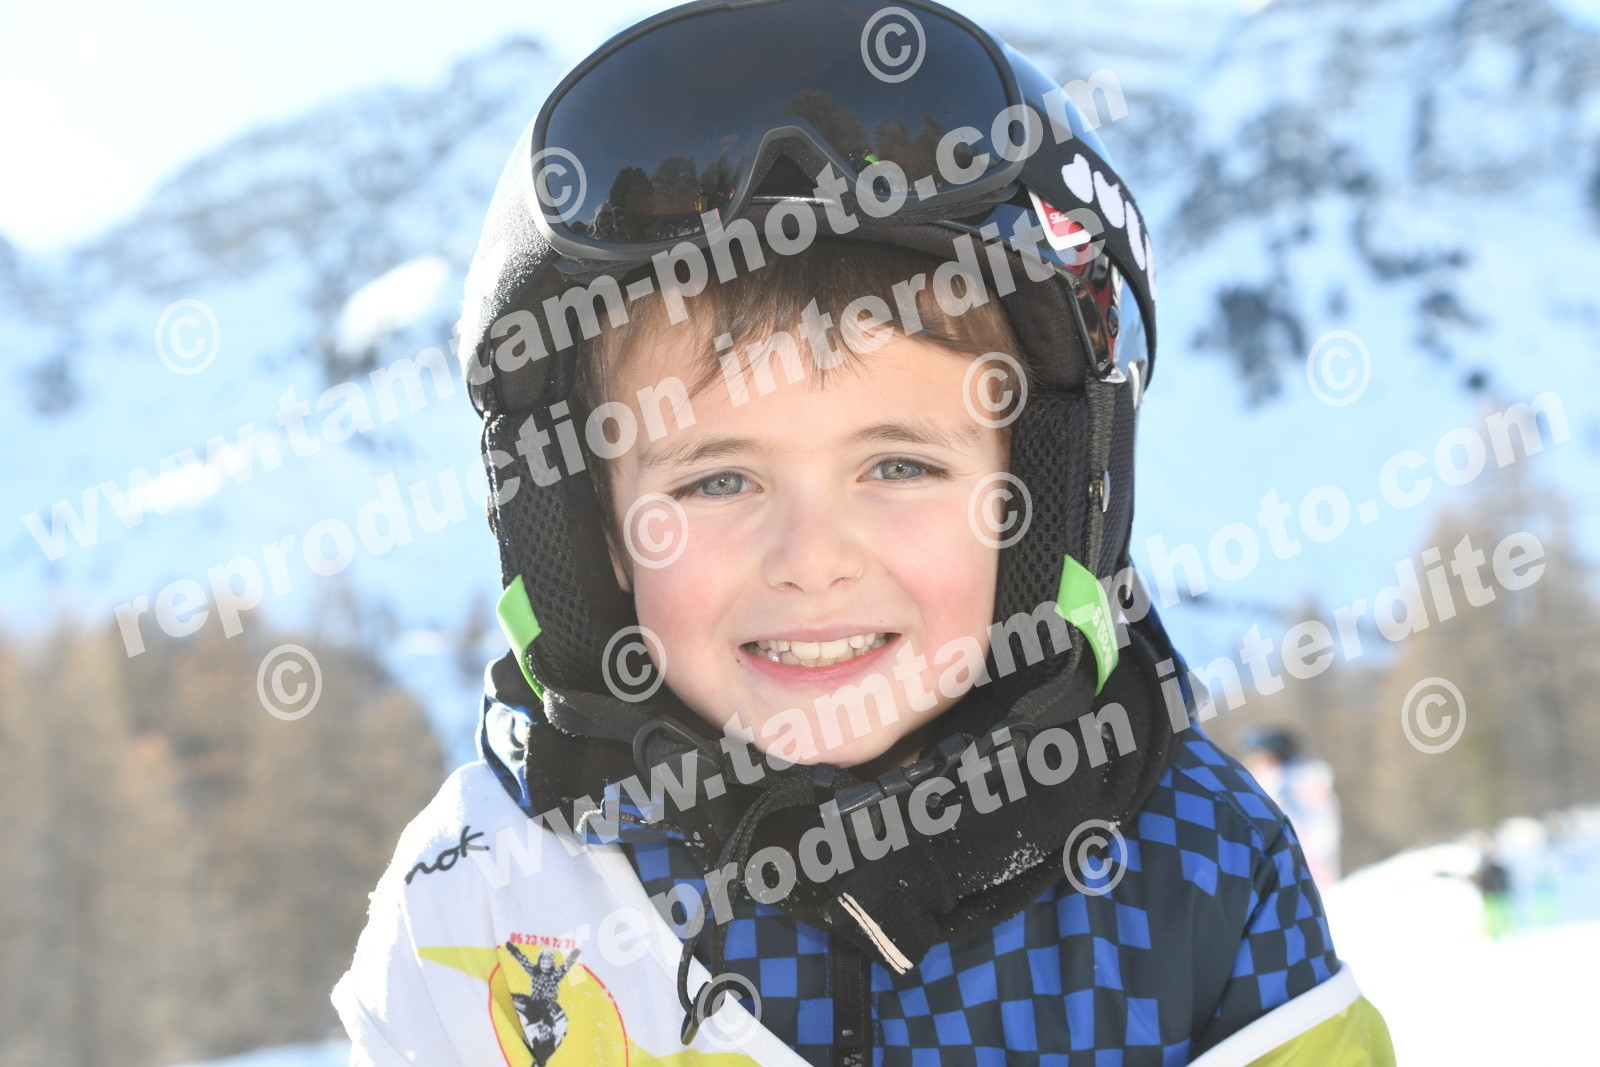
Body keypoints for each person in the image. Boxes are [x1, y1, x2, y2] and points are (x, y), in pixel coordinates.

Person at [332, 1, 1396, 1062]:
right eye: (717, 481)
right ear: (593, 532)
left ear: (1045, 496)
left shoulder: (1198, 872)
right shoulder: (486, 901)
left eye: (900, 466)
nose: (811, 560)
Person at [1239, 728, 1343, 889]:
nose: (1251, 764)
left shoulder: (1291, 785)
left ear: (1274, 756)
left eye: (1259, 757)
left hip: (1300, 875)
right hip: (1304, 875)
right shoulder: (1294, 782)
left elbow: (1309, 832)